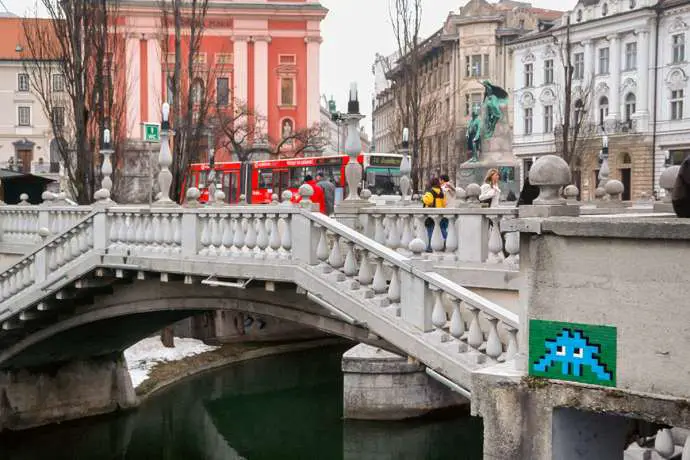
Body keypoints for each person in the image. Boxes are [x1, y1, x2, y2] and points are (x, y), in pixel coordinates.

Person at [422, 177, 447, 251]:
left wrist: (423, 197)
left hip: (431, 215)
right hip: (441, 214)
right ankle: (444, 243)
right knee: (442, 230)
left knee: (430, 231)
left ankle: (430, 247)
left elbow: (428, 201)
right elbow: (444, 203)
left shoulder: (430, 192)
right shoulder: (441, 192)